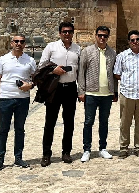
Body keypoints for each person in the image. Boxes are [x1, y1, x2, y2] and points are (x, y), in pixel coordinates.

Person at [0, 35, 36, 173]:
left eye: (21, 42)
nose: (19, 44)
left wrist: (30, 85)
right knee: (3, 130)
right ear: (11, 43)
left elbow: (36, 79)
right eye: (16, 41)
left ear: (25, 44)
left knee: (20, 129)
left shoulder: (30, 61)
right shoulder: (3, 60)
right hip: (6, 98)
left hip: (22, 99)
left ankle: (18, 157)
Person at [39, 21, 81, 167]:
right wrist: (53, 70)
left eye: (70, 31)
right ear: (60, 33)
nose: (67, 34)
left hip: (70, 88)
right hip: (54, 89)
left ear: (73, 33)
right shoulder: (51, 47)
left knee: (69, 122)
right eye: (64, 31)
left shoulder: (77, 49)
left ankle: (66, 152)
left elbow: (80, 71)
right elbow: (42, 66)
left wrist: (81, 90)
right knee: (50, 122)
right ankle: (46, 154)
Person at [78, 25, 117, 162]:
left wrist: (115, 91)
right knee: (89, 122)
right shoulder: (87, 51)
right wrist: (81, 91)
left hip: (106, 94)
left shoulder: (112, 53)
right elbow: (81, 72)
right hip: (91, 93)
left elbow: (114, 73)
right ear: (96, 36)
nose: (102, 38)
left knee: (104, 122)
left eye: (105, 36)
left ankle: (102, 148)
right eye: (100, 35)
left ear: (108, 37)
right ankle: (87, 149)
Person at [113, 30, 139, 158]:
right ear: (129, 42)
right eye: (132, 40)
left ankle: (138, 147)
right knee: (125, 123)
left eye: (137, 39)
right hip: (127, 93)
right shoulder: (122, 56)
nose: (135, 42)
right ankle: (124, 147)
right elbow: (117, 74)